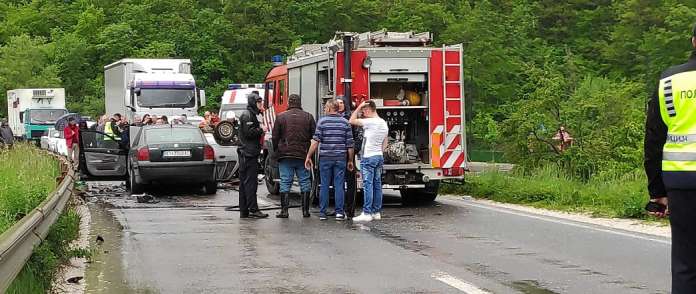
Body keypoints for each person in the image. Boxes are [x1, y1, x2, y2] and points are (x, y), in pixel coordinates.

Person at [644, 24, 696, 293]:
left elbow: (654, 139)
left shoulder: (668, 81)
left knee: (686, 263)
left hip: (682, 181)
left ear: (693, 42)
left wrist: (656, 192)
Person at [305, 99, 354, 221]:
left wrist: (308, 156)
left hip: (325, 158)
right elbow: (350, 144)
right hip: (340, 158)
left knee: (325, 185)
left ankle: (322, 213)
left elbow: (315, 142)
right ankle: (339, 212)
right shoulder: (345, 123)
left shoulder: (322, 122)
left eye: (326, 107)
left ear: (330, 108)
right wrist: (350, 160)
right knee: (339, 185)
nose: (325, 109)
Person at [272, 94, 316, 218]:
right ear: (299, 103)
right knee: (305, 182)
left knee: (285, 181)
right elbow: (315, 137)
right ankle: (305, 211)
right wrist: (310, 155)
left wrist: (277, 150)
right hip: (303, 155)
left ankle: (284, 211)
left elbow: (275, 137)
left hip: (285, 155)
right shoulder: (308, 117)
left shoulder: (280, 117)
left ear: (288, 103)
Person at [349, 100, 388, 222]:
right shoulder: (383, 123)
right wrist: (379, 151)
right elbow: (385, 143)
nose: (363, 112)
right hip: (378, 156)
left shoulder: (370, 122)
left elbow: (351, 120)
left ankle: (367, 212)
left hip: (368, 156)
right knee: (377, 184)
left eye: (364, 110)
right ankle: (376, 212)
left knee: (368, 185)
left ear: (369, 109)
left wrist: (358, 106)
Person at [237, 93, 269, 218]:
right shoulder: (247, 115)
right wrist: (262, 129)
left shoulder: (251, 114)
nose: (261, 104)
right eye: (259, 102)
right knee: (250, 183)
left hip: (247, 153)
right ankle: (253, 209)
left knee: (245, 183)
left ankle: (244, 209)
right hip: (248, 153)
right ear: (252, 102)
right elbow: (248, 132)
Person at [337, 96, 361, 218]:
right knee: (338, 184)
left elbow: (358, 138)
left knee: (351, 184)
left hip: (349, 156)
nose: (339, 105)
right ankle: (339, 209)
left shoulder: (352, 119)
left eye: (341, 103)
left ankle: (350, 209)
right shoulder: (334, 118)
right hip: (338, 155)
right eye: (337, 103)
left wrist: (353, 151)